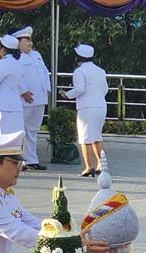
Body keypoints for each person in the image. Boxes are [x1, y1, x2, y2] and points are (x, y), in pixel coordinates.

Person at [60, 44, 109, 177]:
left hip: (87, 107)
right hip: (101, 106)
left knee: (85, 138)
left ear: (78, 57)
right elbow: (105, 90)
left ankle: (89, 167)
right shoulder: (100, 71)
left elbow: (80, 89)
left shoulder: (79, 71)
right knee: (97, 136)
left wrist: (67, 94)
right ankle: (101, 164)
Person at [12, 27, 49, 171]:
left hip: (39, 98)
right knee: (21, 131)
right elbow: (16, 76)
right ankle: (19, 160)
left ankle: (32, 159)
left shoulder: (36, 55)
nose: (29, 43)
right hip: (24, 99)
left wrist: (47, 91)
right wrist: (23, 92)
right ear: (18, 42)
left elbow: (44, 73)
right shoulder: (16, 57)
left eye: (30, 40)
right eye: (26, 40)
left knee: (33, 131)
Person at [0, 35, 30, 136]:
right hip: (15, 105)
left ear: (3, 49)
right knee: (13, 140)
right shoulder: (18, 63)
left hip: (2, 106)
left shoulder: (2, 63)